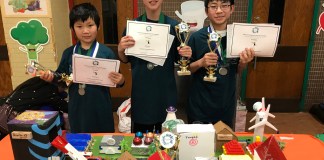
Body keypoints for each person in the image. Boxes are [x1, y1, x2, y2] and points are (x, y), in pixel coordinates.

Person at [40, 3, 125, 133]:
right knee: (80, 142)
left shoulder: (106, 53)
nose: (85, 31)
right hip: (77, 108)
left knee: (102, 141)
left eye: (90, 25)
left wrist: (121, 80)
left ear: (98, 26)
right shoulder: (69, 53)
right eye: (79, 26)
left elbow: (118, 81)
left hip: (101, 107)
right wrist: (51, 77)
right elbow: (61, 81)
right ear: (73, 28)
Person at [118, 0, 192, 133]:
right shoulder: (133, 27)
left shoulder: (174, 26)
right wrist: (120, 50)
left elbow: (181, 60)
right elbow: (125, 59)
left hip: (165, 93)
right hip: (141, 93)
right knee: (140, 141)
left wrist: (185, 54)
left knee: (166, 140)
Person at [187, 0, 254, 128]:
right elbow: (187, 69)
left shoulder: (237, 37)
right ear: (207, 11)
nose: (219, 10)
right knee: (199, 146)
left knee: (223, 145)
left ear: (232, 8)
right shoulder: (196, 37)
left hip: (226, 104)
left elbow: (237, 70)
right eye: (213, 6)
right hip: (200, 105)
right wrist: (201, 62)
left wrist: (244, 63)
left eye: (224, 5)